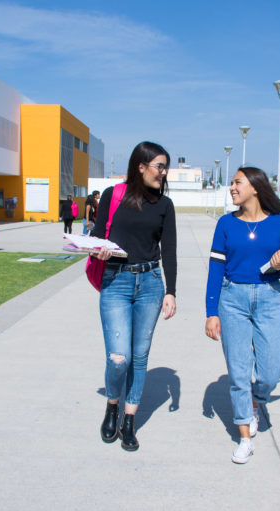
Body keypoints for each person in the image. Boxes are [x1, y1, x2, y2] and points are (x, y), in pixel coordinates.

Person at [204, 166, 280, 464]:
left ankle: (259, 399)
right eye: (231, 183)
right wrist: (211, 312)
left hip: (270, 297)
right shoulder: (225, 224)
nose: (232, 188)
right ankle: (245, 437)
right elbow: (215, 269)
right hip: (232, 299)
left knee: (271, 371)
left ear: (255, 187)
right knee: (239, 371)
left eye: (237, 183)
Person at [90, 141, 177, 452]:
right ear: (141, 167)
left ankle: (129, 421)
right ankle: (112, 405)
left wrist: (171, 291)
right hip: (116, 282)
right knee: (119, 357)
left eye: (165, 167)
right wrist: (98, 250)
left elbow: (169, 250)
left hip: (151, 284)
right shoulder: (114, 196)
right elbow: (97, 236)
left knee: (139, 358)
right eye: (159, 166)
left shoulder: (165, 205)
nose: (163, 172)